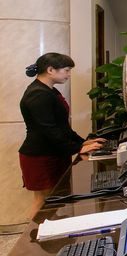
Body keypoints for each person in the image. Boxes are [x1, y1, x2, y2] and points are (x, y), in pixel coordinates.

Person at [18, 53, 104, 207]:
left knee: (55, 203)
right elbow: (48, 130)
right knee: (43, 203)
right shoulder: (38, 94)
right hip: (40, 155)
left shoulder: (50, 91)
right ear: (50, 70)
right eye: (66, 70)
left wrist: (82, 142)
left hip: (53, 152)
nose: (69, 74)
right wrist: (78, 148)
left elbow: (62, 126)